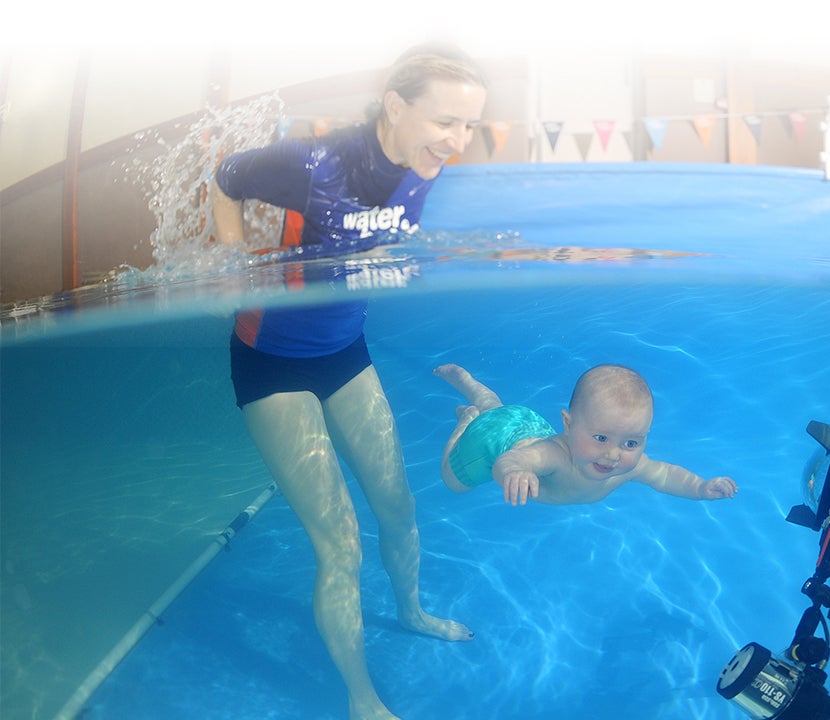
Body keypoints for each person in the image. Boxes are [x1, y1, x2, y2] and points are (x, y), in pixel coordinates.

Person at [208, 47, 487, 720]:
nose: (457, 141)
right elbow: (225, 179)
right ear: (396, 105)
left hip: (344, 350)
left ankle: (412, 610)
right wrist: (234, 257)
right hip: (272, 361)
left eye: (470, 126)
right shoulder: (315, 163)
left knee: (398, 510)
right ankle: (362, 697)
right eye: (446, 121)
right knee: (340, 543)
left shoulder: (424, 165)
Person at [434, 363, 739, 505]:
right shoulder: (555, 455)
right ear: (568, 425)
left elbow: (664, 475)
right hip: (491, 441)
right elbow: (512, 459)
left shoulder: (625, 468)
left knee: (494, 408)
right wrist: (513, 471)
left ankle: (473, 388)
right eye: (601, 438)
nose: (614, 454)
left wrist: (700, 487)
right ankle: (466, 420)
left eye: (631, 442)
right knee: (453, 483)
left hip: (525, 423)